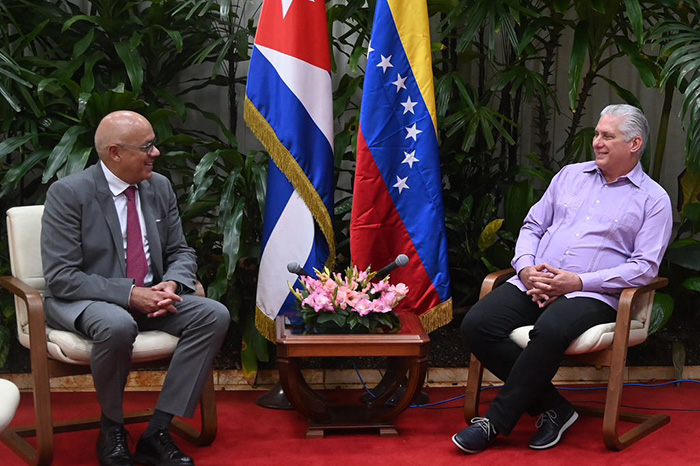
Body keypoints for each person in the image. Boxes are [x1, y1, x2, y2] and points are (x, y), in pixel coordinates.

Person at [452, 104, 673, 453]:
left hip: (593, 294)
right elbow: (533, 226)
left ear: (634, 144)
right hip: (536, 280)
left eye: (607, 136)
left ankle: (494, 422)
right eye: (597, 134)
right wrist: (526, 269)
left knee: (551, 329)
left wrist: (578, 282)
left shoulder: (653, 199)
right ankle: (554, 407)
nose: (597, 142)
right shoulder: (570, 176)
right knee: (477, 323)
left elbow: (644, 267)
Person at [41, 111, 231, 466]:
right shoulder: (68, 194)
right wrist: (130, 295)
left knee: (213, 314)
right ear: (115, 153)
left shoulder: (158, 187)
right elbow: (62, 276)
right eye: (147, 147)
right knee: (117, 324)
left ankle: (159, 430)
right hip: (88, 300)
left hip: (153, 296)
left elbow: (180, 251)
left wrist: (172, 283)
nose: (155, 153)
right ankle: (112, 428)